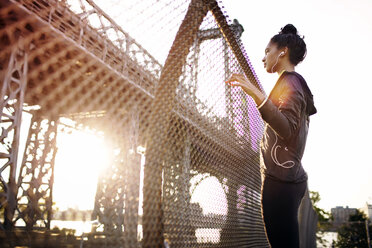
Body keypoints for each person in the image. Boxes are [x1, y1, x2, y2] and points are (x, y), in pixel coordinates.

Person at [226, 24, 317, 247]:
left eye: (268, 51)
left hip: (281, 182)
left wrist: (256, 94)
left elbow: (286, 129)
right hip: (285, 179)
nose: (264, 57)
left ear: (282, 51)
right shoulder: (291, 83)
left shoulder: (291, 83)